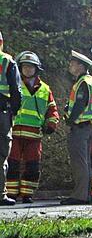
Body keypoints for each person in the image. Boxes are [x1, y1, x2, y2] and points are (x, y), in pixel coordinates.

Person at [6, 52, 58, 203]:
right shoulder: (14, 84)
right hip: (15, 132)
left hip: (35, 135)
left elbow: (52, 109)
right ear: (20, 68)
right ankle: (11, 194)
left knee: (33, 166)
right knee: (12, 164)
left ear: (37, 69)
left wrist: (51, 123)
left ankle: (27, 194)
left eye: (31, 67)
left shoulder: (45, 89)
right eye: (25, 67)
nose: (28, 70)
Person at [62, 50, 92, 205]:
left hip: (81, 127)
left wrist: (70, 120)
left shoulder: (83, 82)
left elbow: (80, 104)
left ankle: (80, 195)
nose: (70, 65)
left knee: (79, 162)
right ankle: (86, 194)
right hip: (90, 127)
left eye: (73, 63)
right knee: (85, 162)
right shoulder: (90, 81)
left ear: (80, 66)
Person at [0, 30, 20, 205]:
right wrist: (13, 110)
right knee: (1, 154)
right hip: (2, 112)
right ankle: (1, 194)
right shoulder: (7, 60)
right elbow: (15, 90)